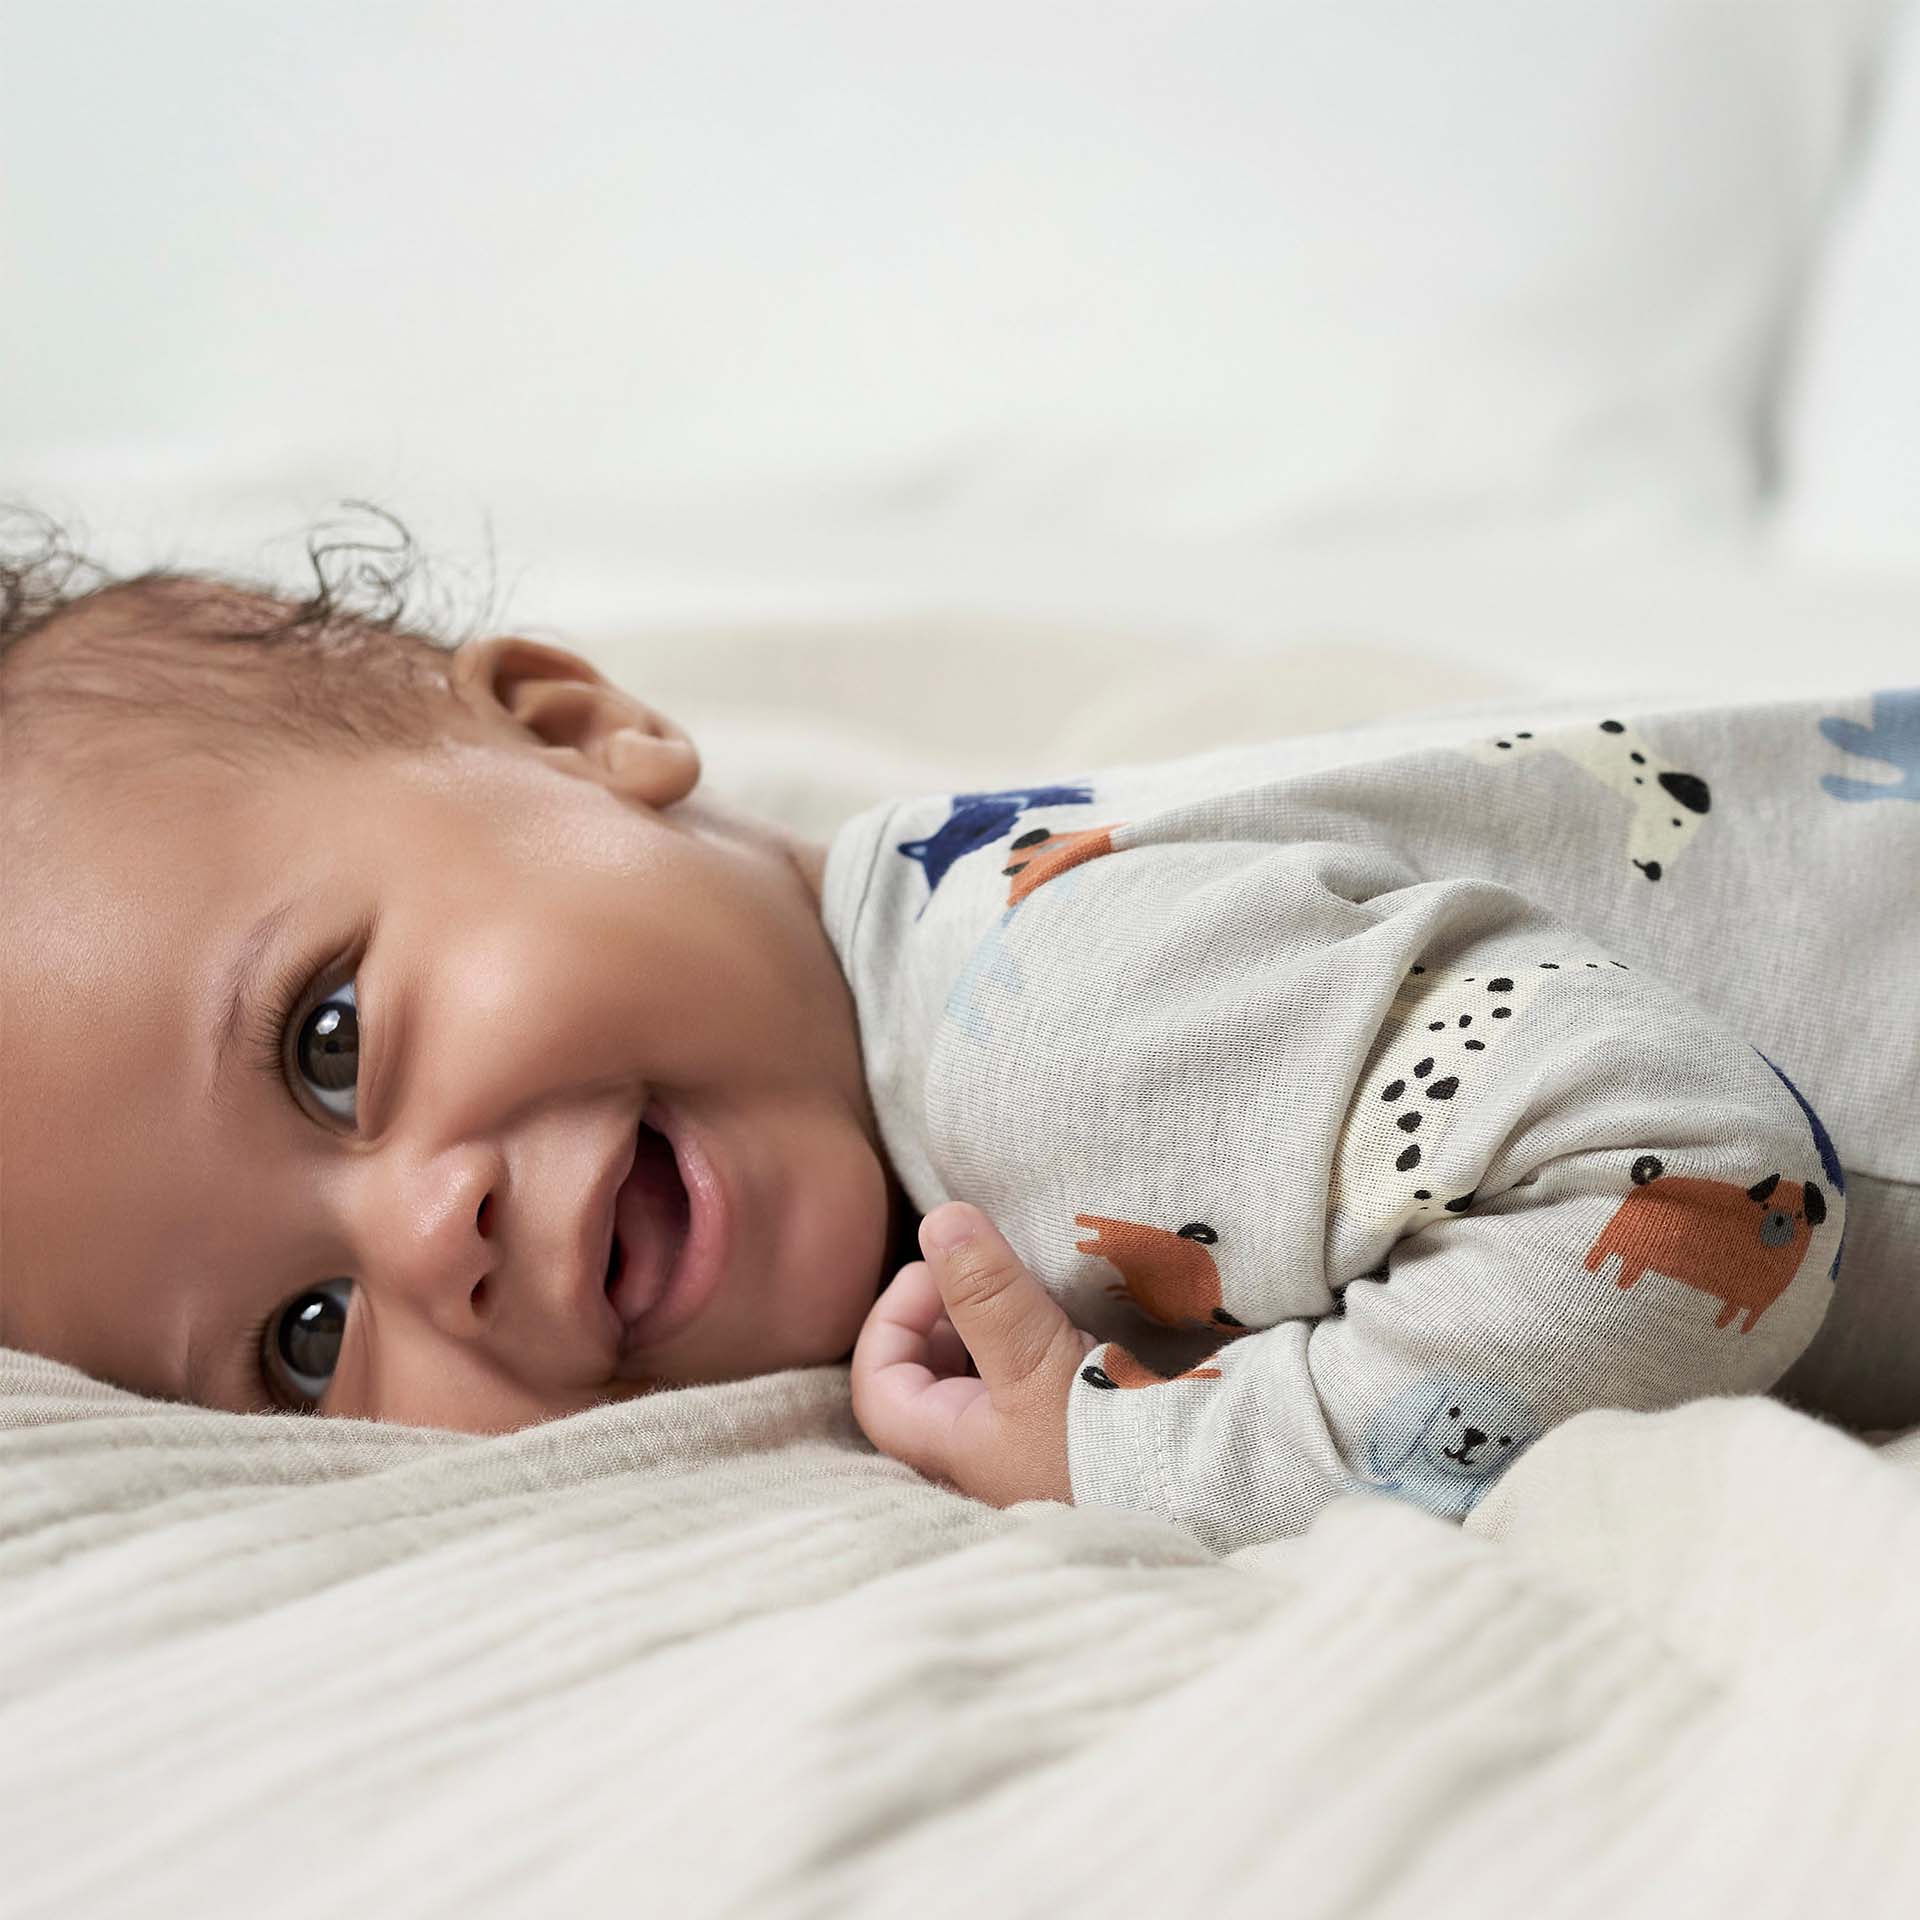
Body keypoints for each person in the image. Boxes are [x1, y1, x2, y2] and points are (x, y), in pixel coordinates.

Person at [3, 516, 1913, 1552]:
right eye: (303, 1337)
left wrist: (1172, 1466)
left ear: (580, 735)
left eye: (329, 1043)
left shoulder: (1054, 1025)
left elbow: (1702, 1184)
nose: (433, 1240)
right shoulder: (905, 977)